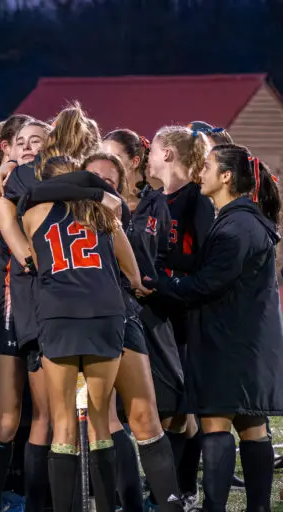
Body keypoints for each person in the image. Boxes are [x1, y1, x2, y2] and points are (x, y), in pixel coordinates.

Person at [146, 145, 283, 512]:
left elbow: (208, 283)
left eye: (207, 166)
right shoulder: (242, 219)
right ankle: (259, 508)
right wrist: (167, 260)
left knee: (216, 425)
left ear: (226, 177)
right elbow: (210, 266)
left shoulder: (237, 225)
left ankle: (215, 507)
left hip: (227, 342)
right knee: (251, 427)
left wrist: (158, 284)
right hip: (247, 341)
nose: (199, 172)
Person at [20, 156, 145, 512]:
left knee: (62, 425)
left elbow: (36, 262)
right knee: (101, 421)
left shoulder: (32, 214)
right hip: (105, 314)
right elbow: (132, 274)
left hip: (60, 315)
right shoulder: (104, 213)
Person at [146, 126, 214, 502]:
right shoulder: (158, 197)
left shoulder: (196, 198)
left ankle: (184, 488)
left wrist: (162, 265)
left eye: (154, 150)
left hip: (185, 311)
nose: (149, 157)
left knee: (183, 406)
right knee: (170, 406)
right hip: (161, 307)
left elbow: (205, 258)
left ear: (169, 153)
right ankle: (169, 487)